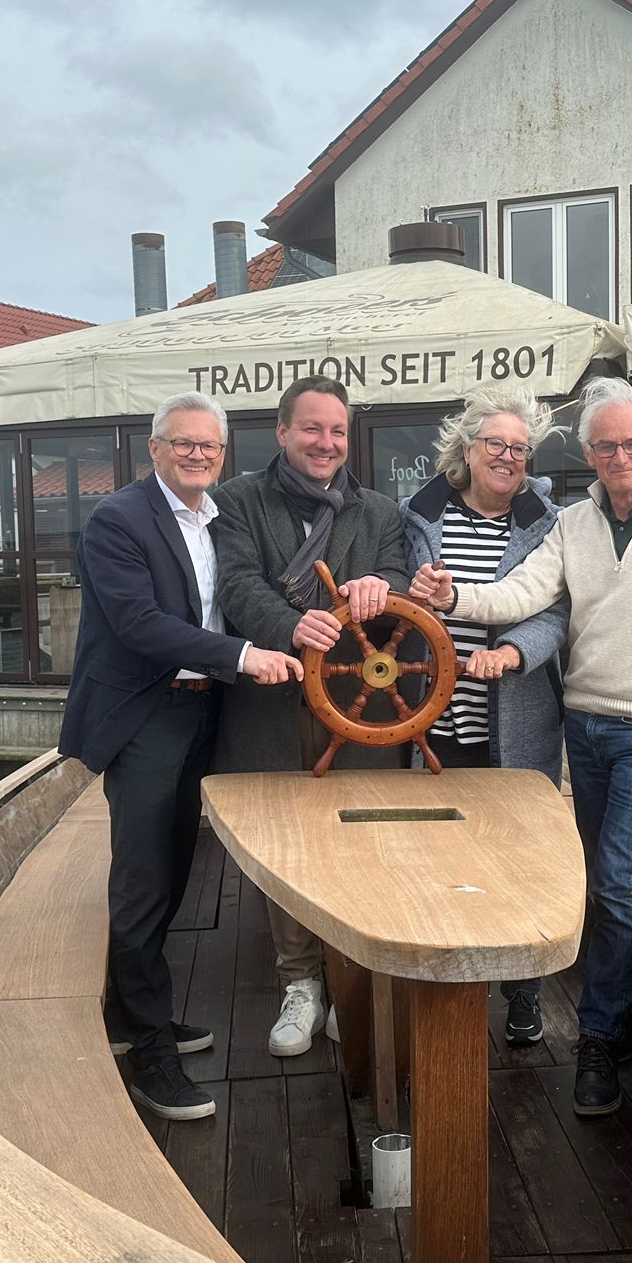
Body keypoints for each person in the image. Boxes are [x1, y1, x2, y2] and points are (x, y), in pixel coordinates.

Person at [412, 377, 632, 1118]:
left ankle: (596, 1038)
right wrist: (454, 598)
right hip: (585, 728)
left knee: (619, 880)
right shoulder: (569, 525)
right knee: (600, 878)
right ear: (589, 454)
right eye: (605, 446)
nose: (620, 456)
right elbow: (523, 594)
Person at [58, 392, 303, 1123]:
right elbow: (140, 624)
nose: (198, 455)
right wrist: (245, 654)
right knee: (142, 877)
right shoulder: (117, 520)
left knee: (174, 868)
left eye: (210, 446)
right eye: (184, 443)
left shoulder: (217, 518)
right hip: (144, 714)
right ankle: (149, 1053)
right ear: (155, 449)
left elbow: (235, 594)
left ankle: (138, 1011)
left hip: (201, 708)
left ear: (223, 455)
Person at [212, 375, 410, 1057]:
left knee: (360, 840)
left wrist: (380, 587)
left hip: (360, 707)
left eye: (337, 431)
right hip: (270, 702)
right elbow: (235, 584)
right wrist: (292, 626)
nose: (326, 443)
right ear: (282, 432)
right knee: (286, 843)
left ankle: (349, 975)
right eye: (313, 429)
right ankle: (299, 981)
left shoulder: (379, 511)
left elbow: (399, 578)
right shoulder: (237, 501)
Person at [399, 386, 568, 1046]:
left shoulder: (548, 523)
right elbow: (394, 592)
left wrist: (513, 651)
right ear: (466, 449)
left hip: (516, 719)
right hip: (435, 723)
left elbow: (557, 611)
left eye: (519, 449)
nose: (507, 457)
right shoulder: (417, 516)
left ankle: (524, 991)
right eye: (495, 444)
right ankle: (452, 988)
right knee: (445, 858)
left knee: (522, 857)